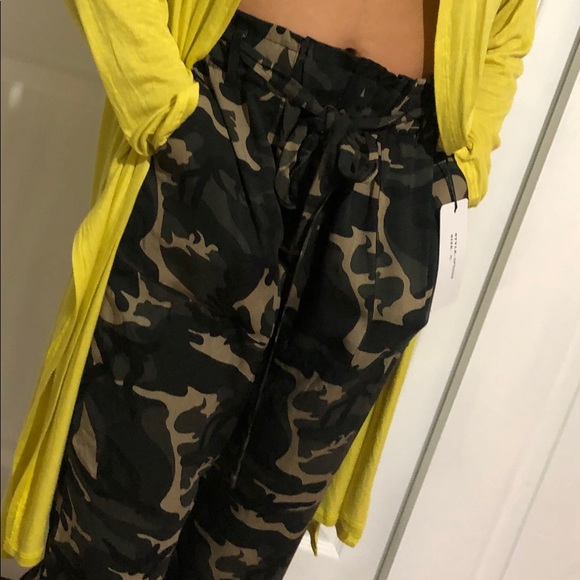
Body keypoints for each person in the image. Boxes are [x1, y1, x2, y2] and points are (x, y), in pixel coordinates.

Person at [1, 0, 536, 578]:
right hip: (228, 121)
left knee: (249, 553)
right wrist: (162, 109)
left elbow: (507, 27)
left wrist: (461, 167)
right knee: (110, 536)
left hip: (397, 174)